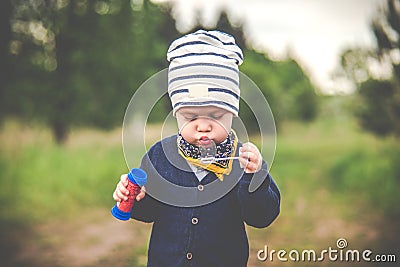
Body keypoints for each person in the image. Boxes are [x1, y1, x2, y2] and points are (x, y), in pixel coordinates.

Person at [112, 29, 280, 267]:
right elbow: (148, 213)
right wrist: (138, 198)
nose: (203, 126)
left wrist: (255, 177)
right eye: (190, 117)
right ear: (177, 115)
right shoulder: (160, 156)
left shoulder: (243, 161)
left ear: (232, 113)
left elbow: (263, 216)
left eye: (215, 115)